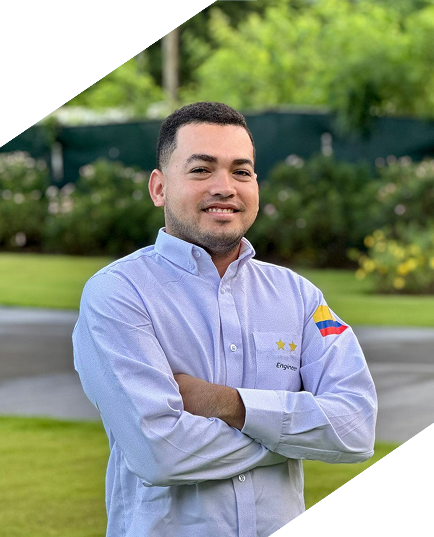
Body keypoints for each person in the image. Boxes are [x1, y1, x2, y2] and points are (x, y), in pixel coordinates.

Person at [72, 101, 377, 537]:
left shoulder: (299, 296)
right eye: (201, 170)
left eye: (241, 171)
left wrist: (227, 404)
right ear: (159, 188)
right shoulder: (118, 294)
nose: (225, 187)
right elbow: (159, 454)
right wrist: (293, 437)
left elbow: (356, 427)